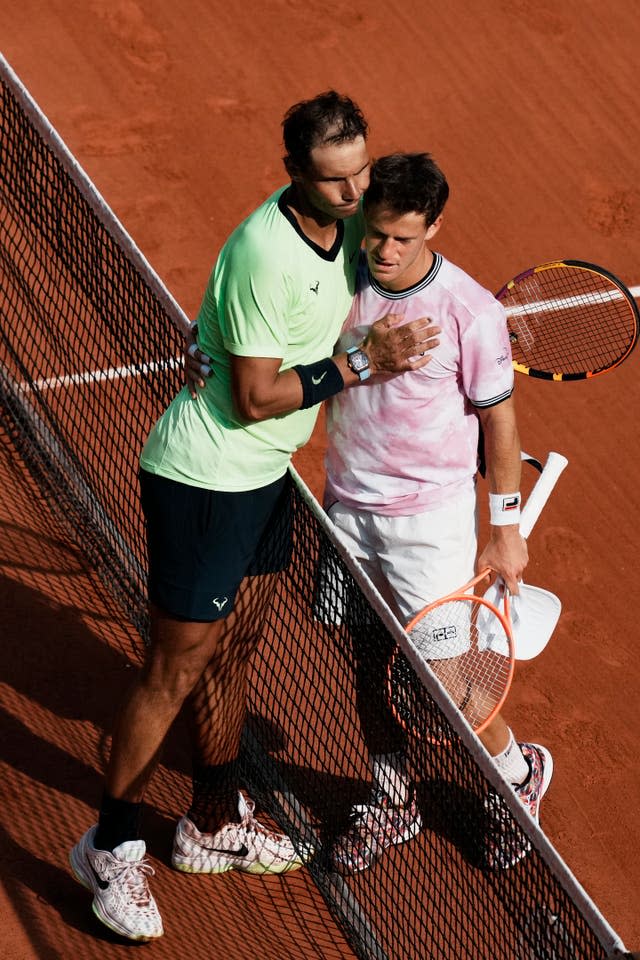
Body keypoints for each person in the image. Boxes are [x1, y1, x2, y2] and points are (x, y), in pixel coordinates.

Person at [68, 93, 441, 942]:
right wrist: (355, 362)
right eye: (333, 181)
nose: (354, 197)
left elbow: (409, 253)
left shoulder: (354, 222)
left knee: (237, 646)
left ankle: (209, 816)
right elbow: (253, 393)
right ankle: (110, 844)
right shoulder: (265, 253)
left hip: (267, 477)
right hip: (205, 477)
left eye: (360, 174)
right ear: (293, 175)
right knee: (175, 669)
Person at [319, 152, 553, 874]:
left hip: (429, 524)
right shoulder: (341, 275)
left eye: (404, 238)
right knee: (362, 656)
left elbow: (500, 424)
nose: (386, 251)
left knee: (452, 685)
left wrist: (505, 527)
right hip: (346, 504)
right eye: (377, 234)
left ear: (435, 227)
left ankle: (517, 775)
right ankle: (394, 796)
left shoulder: (470, 311)